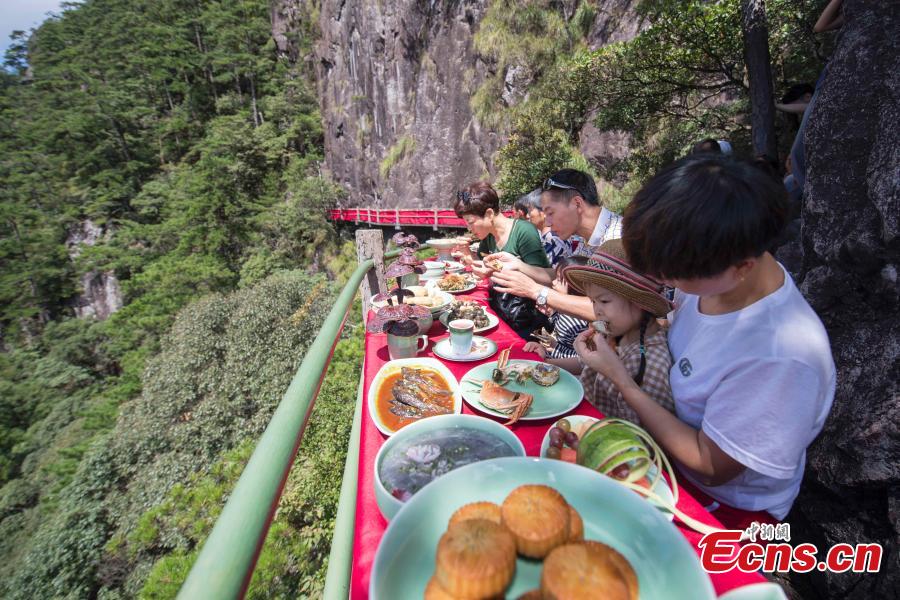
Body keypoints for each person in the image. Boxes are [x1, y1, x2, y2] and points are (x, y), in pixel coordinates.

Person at [574, 154, 836, 528]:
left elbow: (711, 466)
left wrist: (621, 380)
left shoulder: (783, 353)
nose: (668, 282)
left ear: (743, 265)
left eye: (677, 275)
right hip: (660, 458)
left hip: (724, 508)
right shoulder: (708, 276)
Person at [526, 242, 675, 426]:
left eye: (604, 301)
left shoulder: (651, 365)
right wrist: (546, 364)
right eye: (592, 301)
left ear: (639, 301)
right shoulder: (615, 333)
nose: (597, 311)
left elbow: (648, 434)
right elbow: (585, 363)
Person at [485, 169, 622, 322]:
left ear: (577, 203)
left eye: (550, 213)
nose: (548, 223)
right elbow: (564, 278)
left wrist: (536, 291)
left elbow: (611, 312)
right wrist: (518, 265)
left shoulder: (617, 240)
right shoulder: (584, 236)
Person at [452, 181, 550, 339]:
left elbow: (546, 278)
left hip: (525, 322)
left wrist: (506, 268)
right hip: (501, 312)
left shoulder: (523, 231)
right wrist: (469, 255)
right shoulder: (488, 235)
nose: (469, 229)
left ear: (489, 214)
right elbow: (485, 264)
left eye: (470, 222)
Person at [522, 255, 590, 360]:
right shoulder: (566, 310)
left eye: (558, 280)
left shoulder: (577, 322)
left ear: (575, 287)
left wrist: (551, 349)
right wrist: (552, 314)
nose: (553, 282)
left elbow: (579, 358)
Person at [513, 188, 572, 267]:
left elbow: (547, 273)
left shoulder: (552, 239)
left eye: (530, 210)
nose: (527, 215)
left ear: (544, 212)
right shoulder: (546, 235)